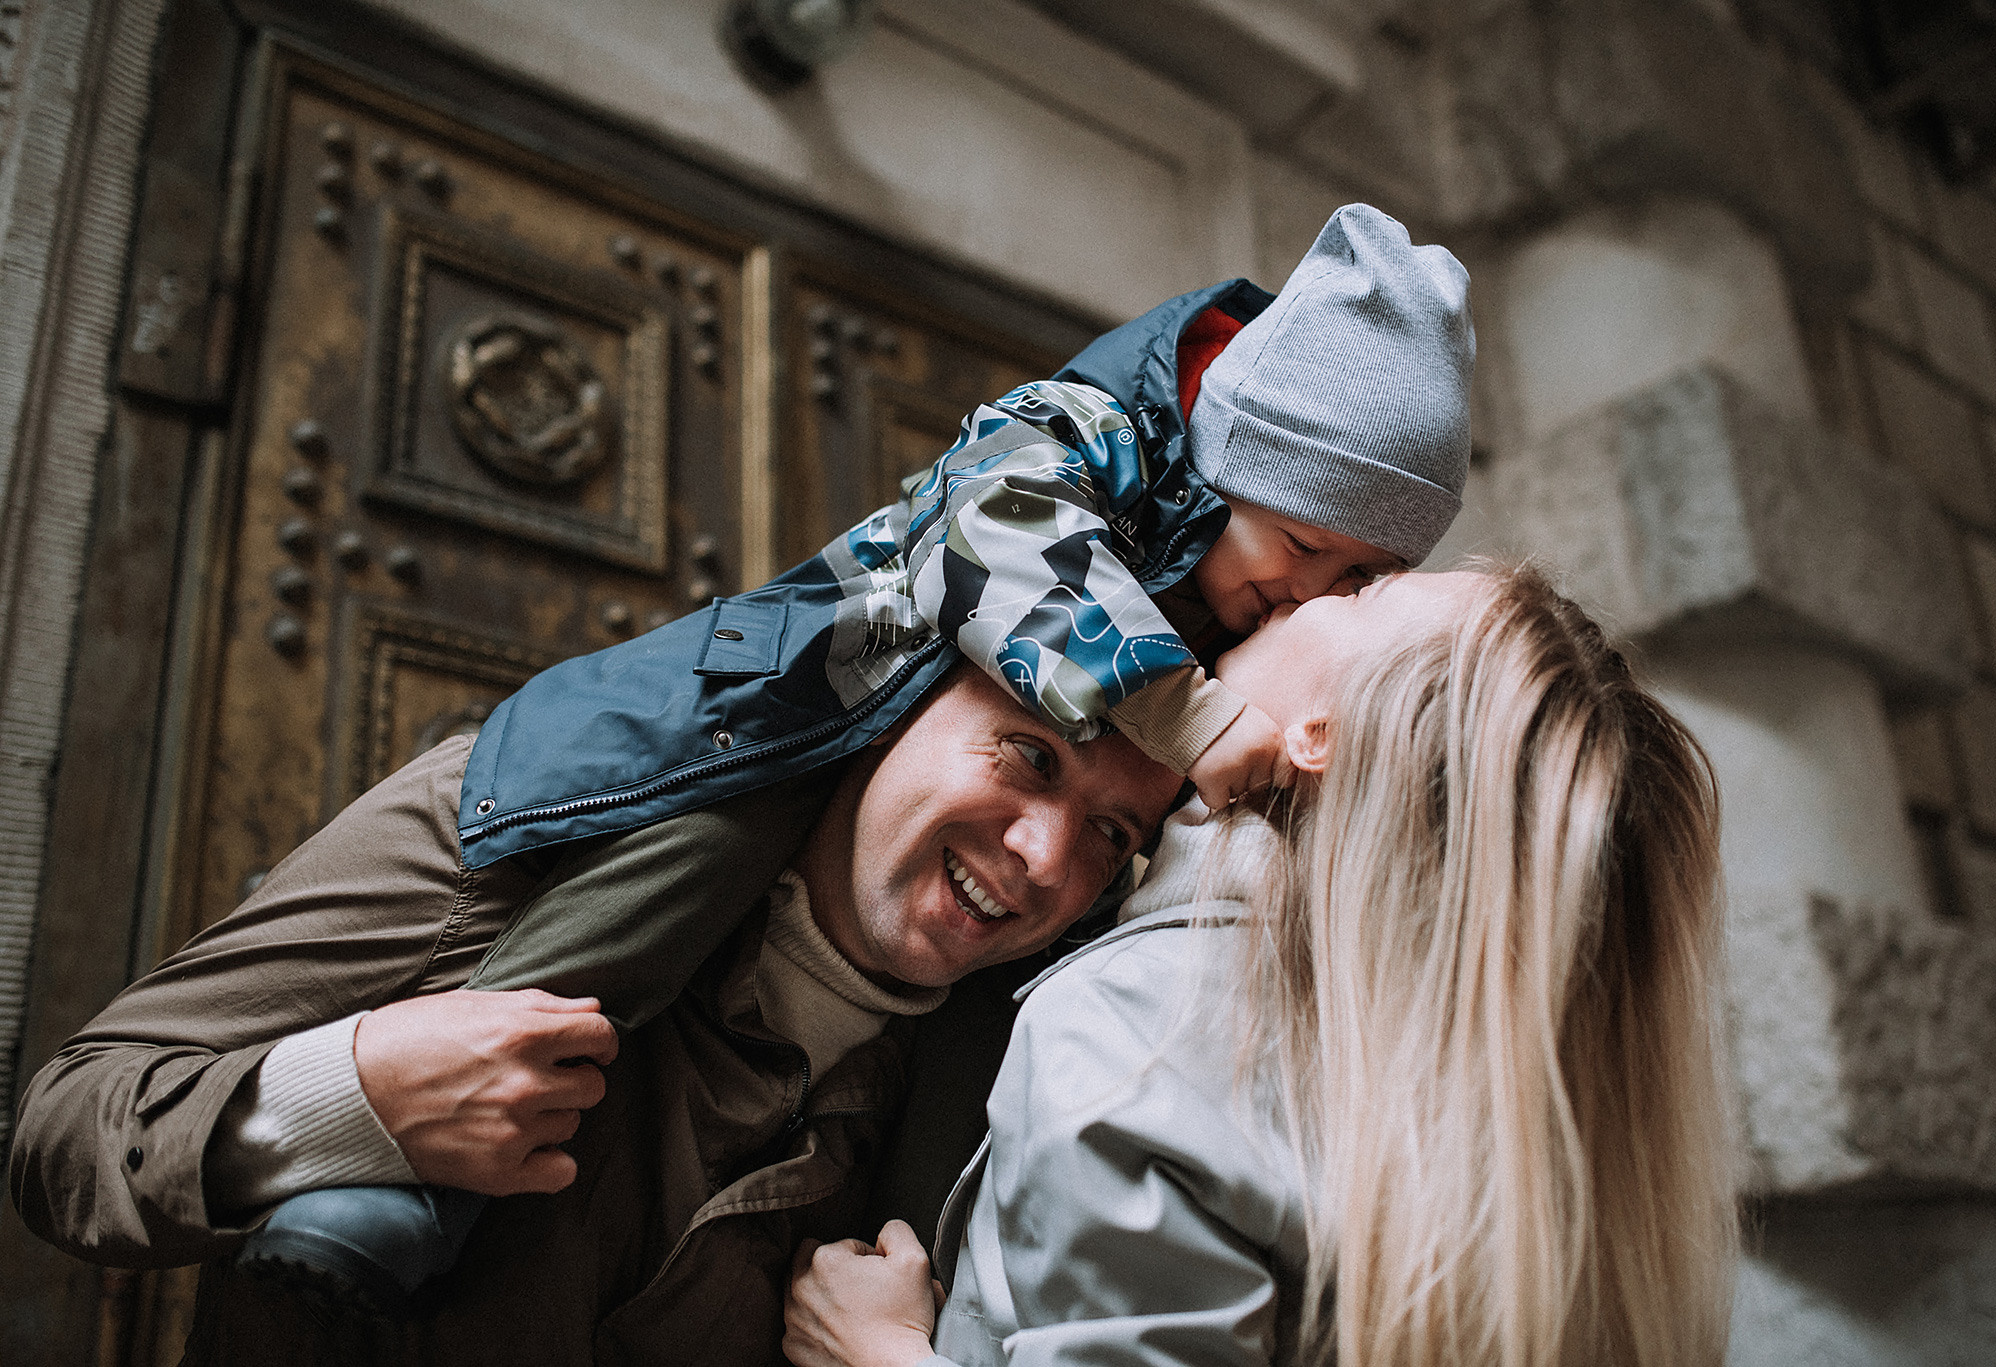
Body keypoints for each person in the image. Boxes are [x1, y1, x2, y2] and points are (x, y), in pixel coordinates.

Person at [209, 200, 1478, 1302]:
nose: (1315, 595)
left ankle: (910, 1266)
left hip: (930, 854)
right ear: (1236, 453)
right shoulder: (1087, 428)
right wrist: (1191, 718)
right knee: (661, 884)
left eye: (1363, 577)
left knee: (988, 1041)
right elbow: (1005, 547)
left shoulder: (1239, 593)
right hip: (797, 716)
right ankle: (403, 1186)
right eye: (1308, 550)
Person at [7, 662, 1184, 1366]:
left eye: (1110, 831)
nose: (1040, 856)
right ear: (897, 705)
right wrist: (350, 1096)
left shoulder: (1002, 1105)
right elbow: (70, 1130)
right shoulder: (524, 842)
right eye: (1027, 754)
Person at [782, 563, 1739, 1367]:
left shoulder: (1144, 1025)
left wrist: (884, 1351)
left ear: (1315, 734)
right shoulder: (1475, 1092)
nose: (1313, 587)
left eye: (1364, 596)